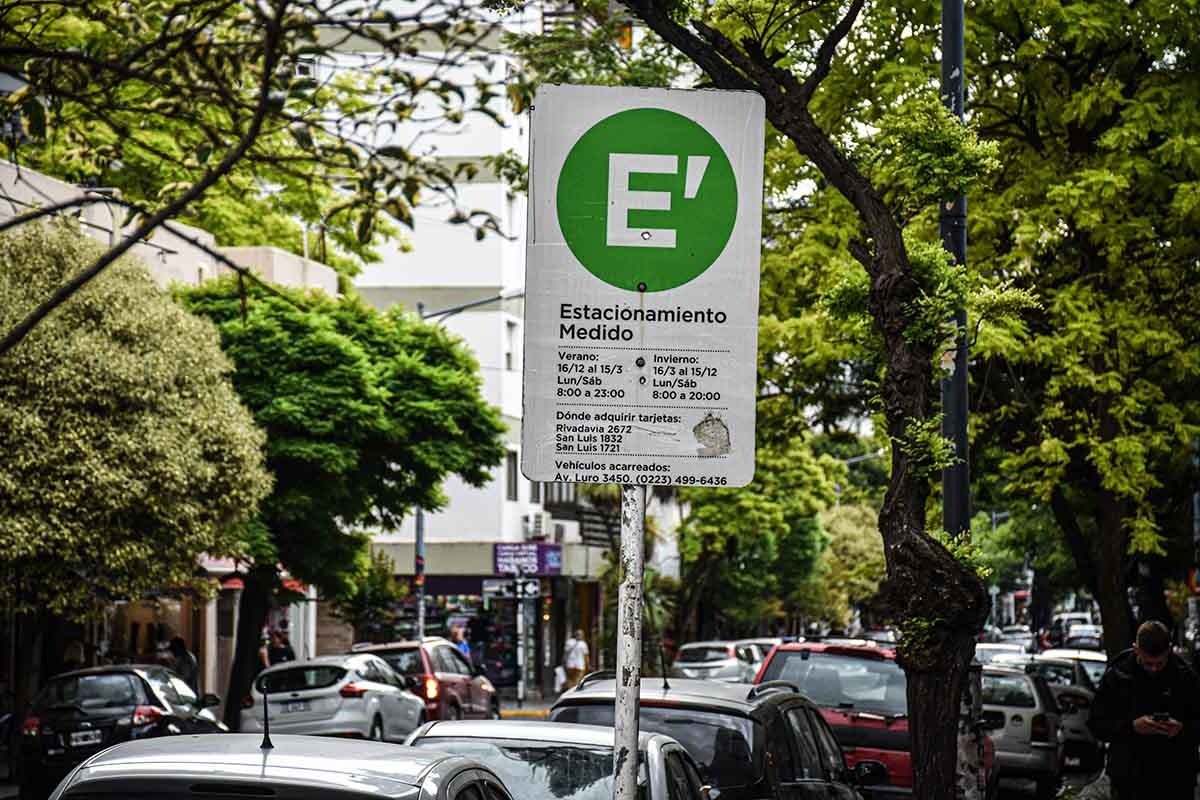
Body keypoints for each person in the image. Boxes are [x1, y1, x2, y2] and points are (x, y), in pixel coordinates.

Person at [1089, 620, 1200, 800]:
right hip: (1129, 777)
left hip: (1176, 777)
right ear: (1136, 650)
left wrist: (1182, 729)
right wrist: (1131, 727)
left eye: (1160, 663)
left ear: (1169, 650)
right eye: (1148, 663)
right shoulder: (1118, 676)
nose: (1154, 669)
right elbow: (1096, 724)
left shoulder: (1186, 677)